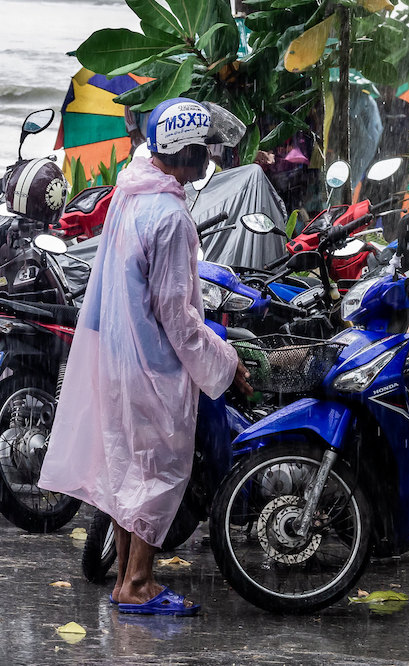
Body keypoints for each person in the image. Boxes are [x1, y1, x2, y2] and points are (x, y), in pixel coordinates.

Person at [39, 97, 253, 616]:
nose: (210, 159)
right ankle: (138, 583)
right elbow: (178, 318)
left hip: (113, 357)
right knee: (158, 474)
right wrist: (227, 364)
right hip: (151, 366)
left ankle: (123, 581)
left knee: (126, 469)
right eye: (203, 150)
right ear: (181, 152)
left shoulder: (132, 192)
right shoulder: (172, 217)